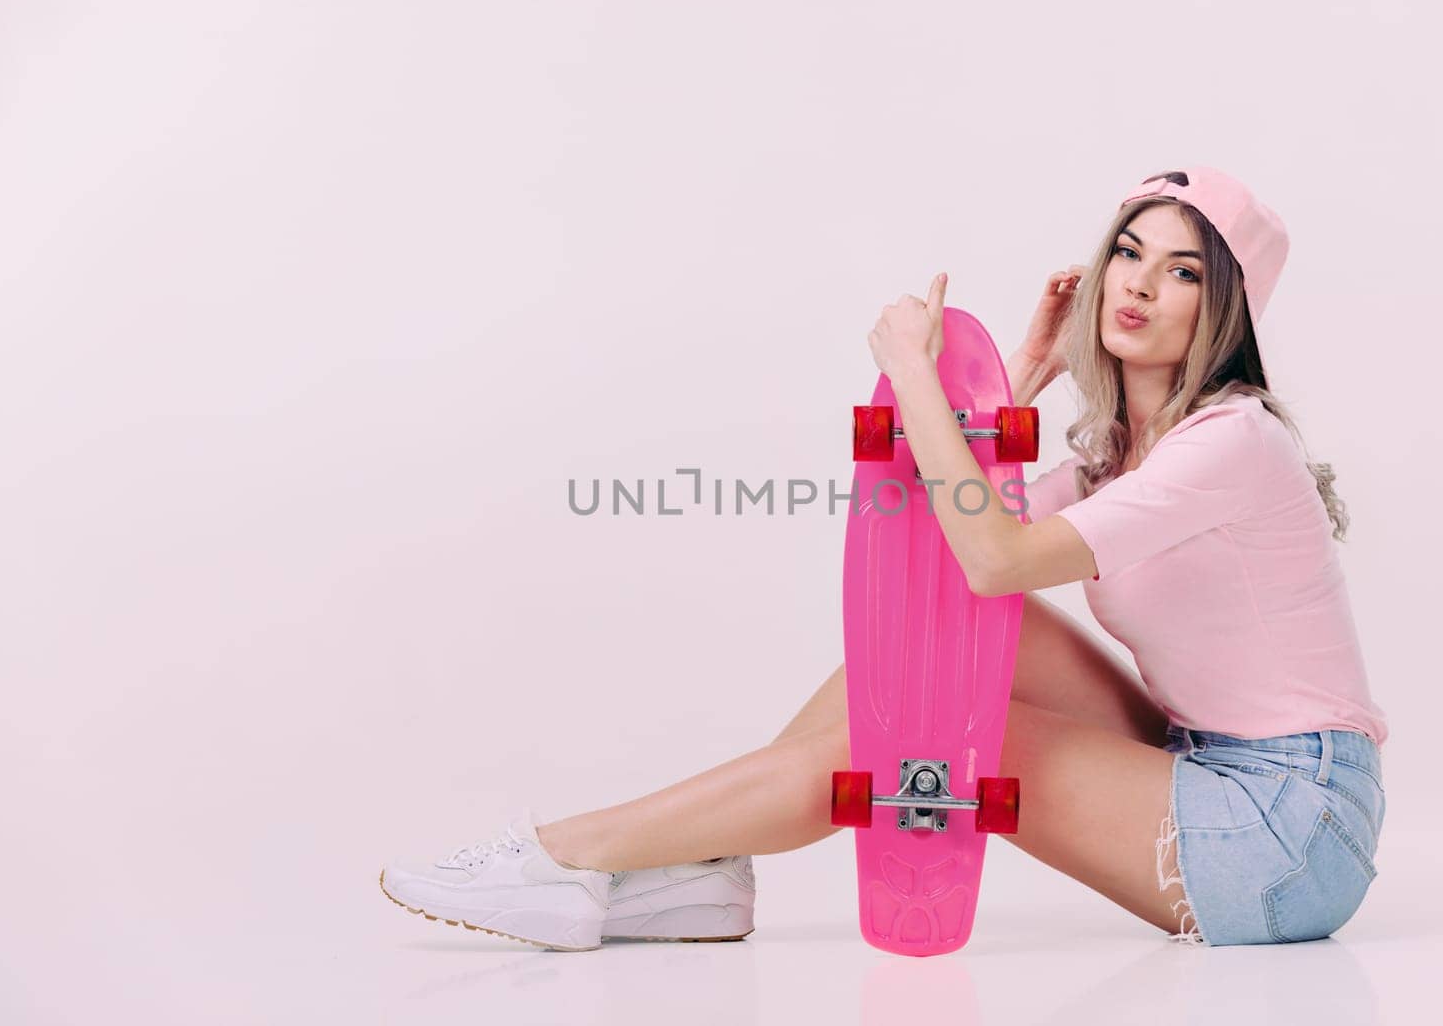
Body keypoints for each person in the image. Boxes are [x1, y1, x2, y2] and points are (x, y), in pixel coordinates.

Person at [379, 166, 1389, 950]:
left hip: (1287, 827)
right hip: (1200, 759)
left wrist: (915, 375)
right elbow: (946, 537)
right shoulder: (1120, 459)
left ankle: (561, 854)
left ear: (1225, 313)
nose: (1140, 281)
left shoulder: (1230, 441)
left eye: (1184, 272)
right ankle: (707, 866)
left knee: (918, 740)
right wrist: (1022, 379)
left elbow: (993, 554)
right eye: (1130, 252)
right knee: (924, 671)